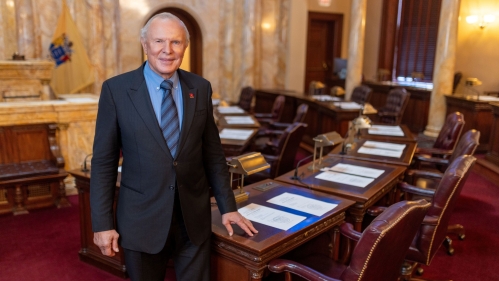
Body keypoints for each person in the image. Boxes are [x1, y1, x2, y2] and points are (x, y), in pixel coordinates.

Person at [90, 12, 257, 281]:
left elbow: (213, 154)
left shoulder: (200, 87)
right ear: (145, 44)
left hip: (193, 220)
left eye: (176, 42)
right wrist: (102, 224)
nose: (167, 51)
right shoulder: (116, 90)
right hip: (141, 220)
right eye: (158, 41)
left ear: (185, 46)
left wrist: (228, 206)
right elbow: (103, 163)